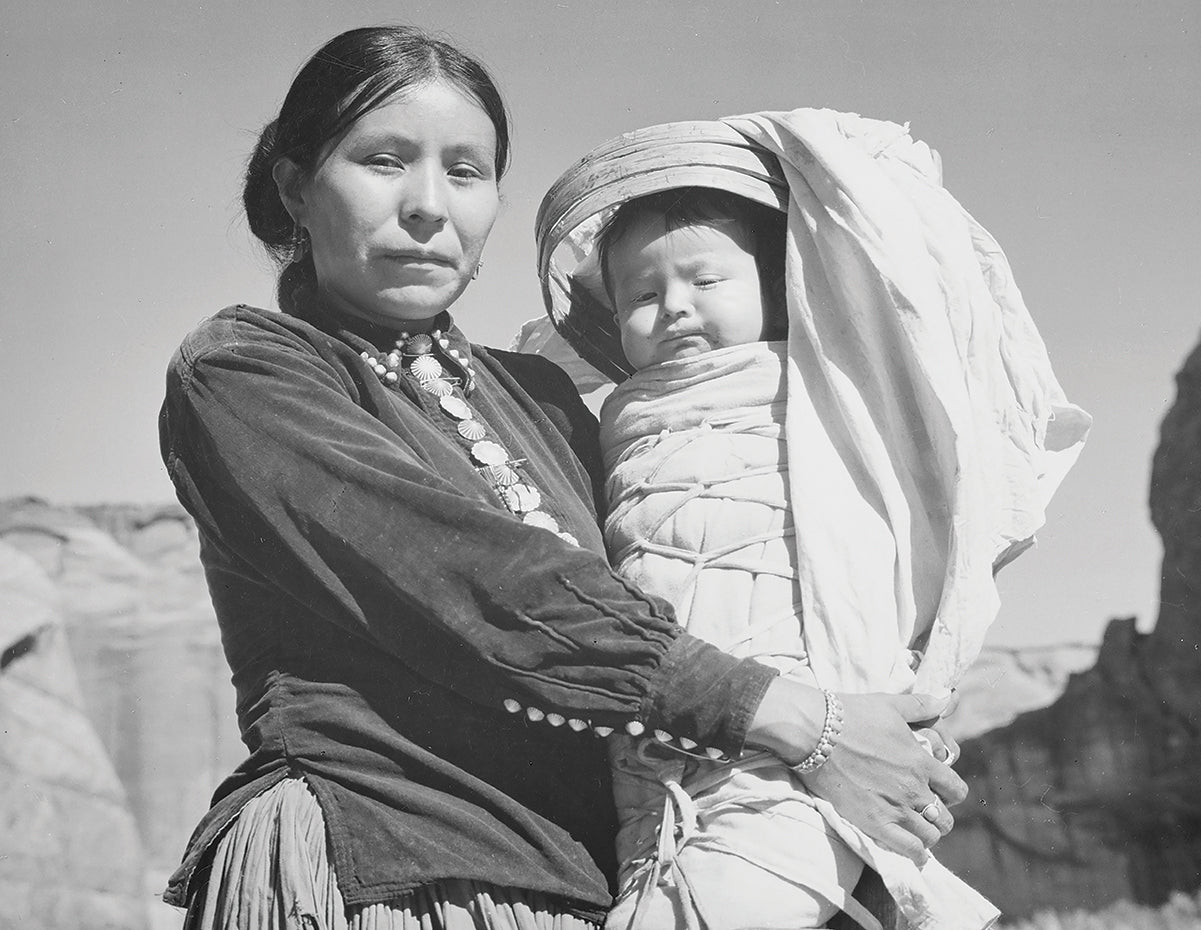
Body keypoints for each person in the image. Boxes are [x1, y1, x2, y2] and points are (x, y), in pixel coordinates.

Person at [159, 27, 966, 930]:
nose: (429, 206)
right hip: (389, 867)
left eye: (466, 172)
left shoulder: (544, 396)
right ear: (295, 187)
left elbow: (697, 574)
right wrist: (797, 720)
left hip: (601, 889)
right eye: (384, 160)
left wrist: (863, 714)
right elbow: (471, 578)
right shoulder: (250, 371)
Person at [531, 115, 1090, 930]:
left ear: (777, 284)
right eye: (642, 295)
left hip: (797, 759)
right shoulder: (615, 421)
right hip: (661, 763)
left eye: (706, 280)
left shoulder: (822, 395)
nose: (674, 308)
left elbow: (885, 252)